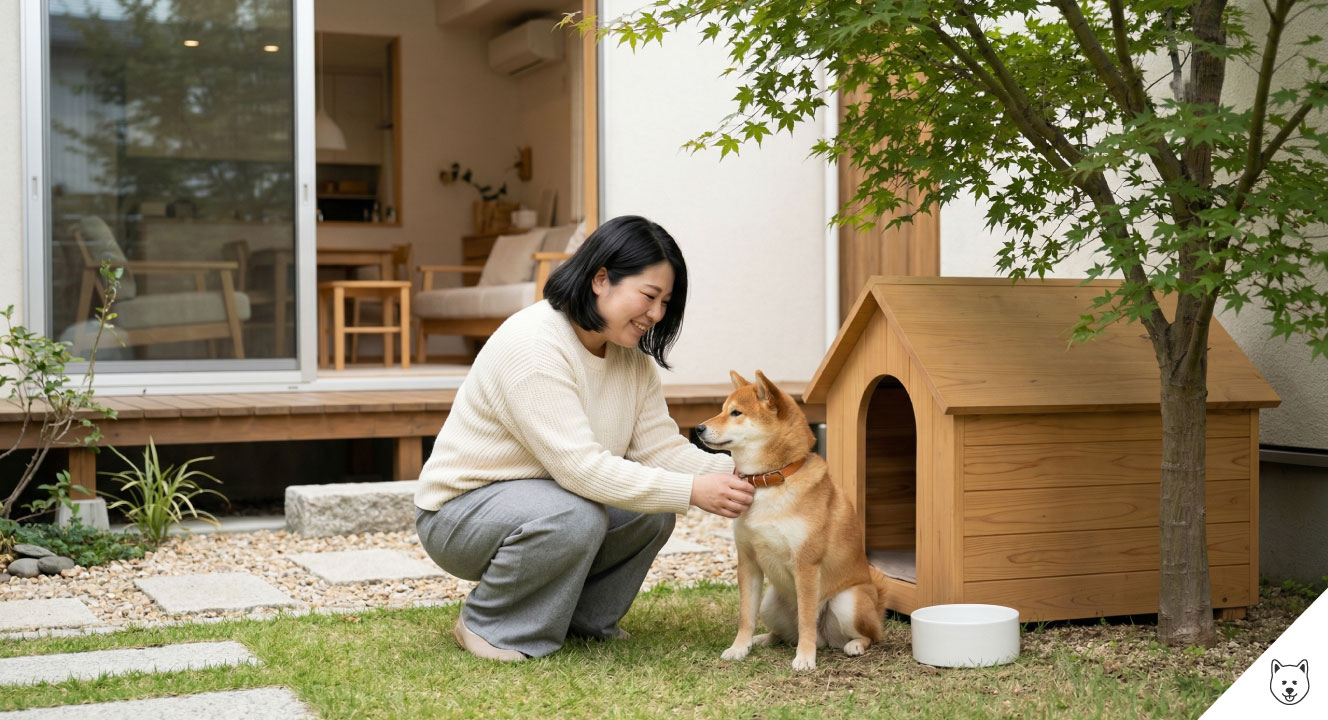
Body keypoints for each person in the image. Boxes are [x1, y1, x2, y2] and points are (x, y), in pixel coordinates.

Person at [415, 215, 755, 661]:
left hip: (547, 497)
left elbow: (660, 451)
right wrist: (693, 490)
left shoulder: (629, 358)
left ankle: (586, 621)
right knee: (577, 515)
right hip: (460, 513)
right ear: (600, 279)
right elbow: (581, 469)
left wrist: (756, 471)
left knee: (649, 514)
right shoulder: (535, 345)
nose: (655, 314)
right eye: (649, 296)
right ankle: (491, 624)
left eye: (665, 303)